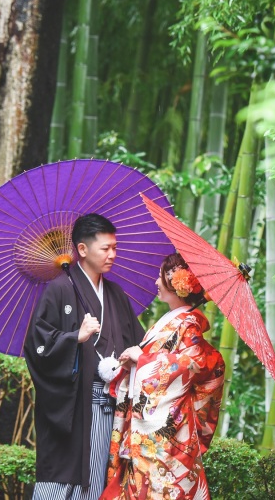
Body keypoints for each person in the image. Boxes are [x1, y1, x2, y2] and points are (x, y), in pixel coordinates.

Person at [24, 213, 146, 499]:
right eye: (106, 248)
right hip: (73, 402)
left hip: (110, 401)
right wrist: (74, 338)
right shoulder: (59, 289)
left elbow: (138, 341)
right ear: (82, 249)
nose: (112, 254)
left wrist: (132, 357)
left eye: (115, 247)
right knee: (64, 474)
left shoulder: (115, 293)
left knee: (99, 473)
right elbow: (36, 346)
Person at [101, 253, 225, 500]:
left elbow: (193, 363)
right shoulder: (173, 320)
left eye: (161, 277)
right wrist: (131, 365)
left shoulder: (187, 324)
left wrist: (143, 359)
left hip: (164, 435)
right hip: (151, 427)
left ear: (177, 286)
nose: (156, 282)